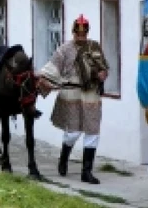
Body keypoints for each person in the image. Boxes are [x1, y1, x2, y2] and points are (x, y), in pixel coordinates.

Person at [38, 14, 109, 185]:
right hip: (71, 95)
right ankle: (63, 159)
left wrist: (102, 74)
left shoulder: (95, 47)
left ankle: (87, 172)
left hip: (91, 94)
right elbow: (50, 70)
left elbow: (104, 68)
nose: (81, 37)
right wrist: (44, 80)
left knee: (92, 132)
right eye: (78, 33)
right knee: (73, 132)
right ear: (73, 32)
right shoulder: (64, 50)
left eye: (84, 34)